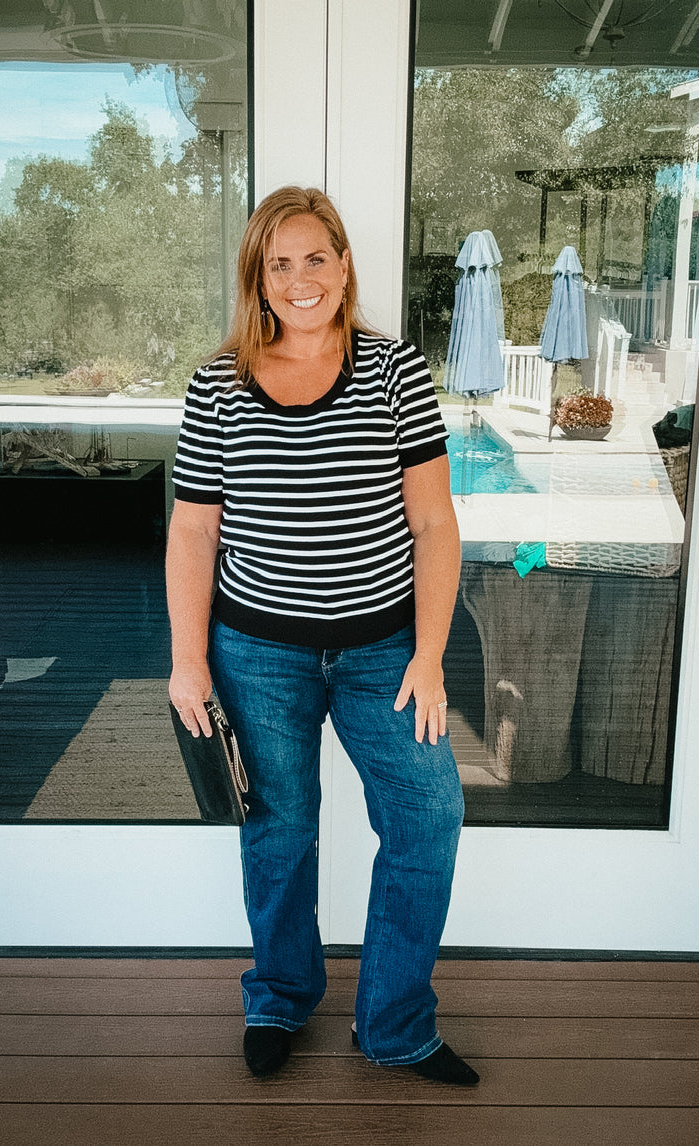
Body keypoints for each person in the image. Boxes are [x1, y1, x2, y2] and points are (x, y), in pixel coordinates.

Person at [166, 186, 477, 1086]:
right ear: (258, 280)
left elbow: (434, 525)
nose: (301, 279)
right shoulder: (218, 383)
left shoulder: (393, 370)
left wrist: (429, 654)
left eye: (316, 258)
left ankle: (392, 1025)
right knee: (278, 830)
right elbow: (193, 529)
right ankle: (279, 995)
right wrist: (190, 661)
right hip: (258, 654)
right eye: (280, 263)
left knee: (428, 818)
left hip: (384, 648)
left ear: (343, 265)